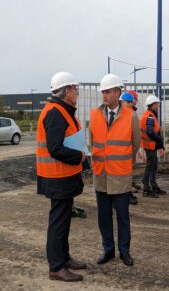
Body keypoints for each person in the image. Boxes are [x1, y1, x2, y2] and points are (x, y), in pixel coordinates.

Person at [36, 71, 87, 282]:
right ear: (67, 91)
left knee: (64, 221)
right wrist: (80, 156)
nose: (77, 92)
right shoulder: (56, 112)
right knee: (58, 222)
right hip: (57, 178)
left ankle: (64, 258)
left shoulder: (62, 110)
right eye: (75, 88)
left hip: (63, 177)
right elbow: (55, 148)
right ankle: (56, 267)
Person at [89, 74, 140, 267]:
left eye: (108, 91)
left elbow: (135, 144)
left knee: (123, 217)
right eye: (103, 91)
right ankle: (108, 250)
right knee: (103, 216)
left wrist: (125, 164)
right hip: (101, 175)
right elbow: (92, 142)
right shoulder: (94, 114)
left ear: (118, 92)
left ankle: (124, 252)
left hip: (120, 176)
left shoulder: (130, 115)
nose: (104, 94)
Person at [140, 94, 166, 198]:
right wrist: (159, 139)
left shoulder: (149, 115)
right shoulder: (150, 116)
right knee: (150, 166)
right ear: (152, 105)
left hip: (150, 145)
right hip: (150, 145)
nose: (158, 106)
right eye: (156, 104)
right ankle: (146, 188)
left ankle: (153, 186)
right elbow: (150, 132)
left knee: (153, 165)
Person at [121, 92, 140, 205]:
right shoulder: (131, 115)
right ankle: (127, 195)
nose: (130, 104)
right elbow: (136, 140)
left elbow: (136, 140)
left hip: (124, 152)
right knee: (125, 176)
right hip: (123, 153)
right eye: (128, 102)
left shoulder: (128, 114)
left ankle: (127, 194)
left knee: (125, 175)